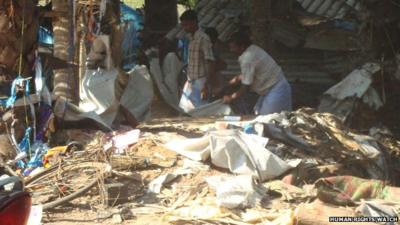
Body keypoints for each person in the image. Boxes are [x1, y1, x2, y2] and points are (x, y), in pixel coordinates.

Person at [223, 32, 292, 115]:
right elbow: (253, 71)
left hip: (275, 89)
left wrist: (231, 97)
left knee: (267, 121)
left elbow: (245, 87)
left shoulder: (247, 58)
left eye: (233, 47)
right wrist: (237, 79)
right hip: (272, 88)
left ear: (242, 46)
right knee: (260, 115)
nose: (231, 50)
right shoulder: (253, 48)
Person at [178, 10, 217, 112]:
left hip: (201, 81)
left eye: (186, 25)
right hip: (191, 81)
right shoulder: (190, 38)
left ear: (194, 22)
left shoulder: (203, 38)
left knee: (201, 111)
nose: (184, 28)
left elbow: (210, 62)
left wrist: (206, 85)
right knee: (185, 109)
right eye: (183, 25)